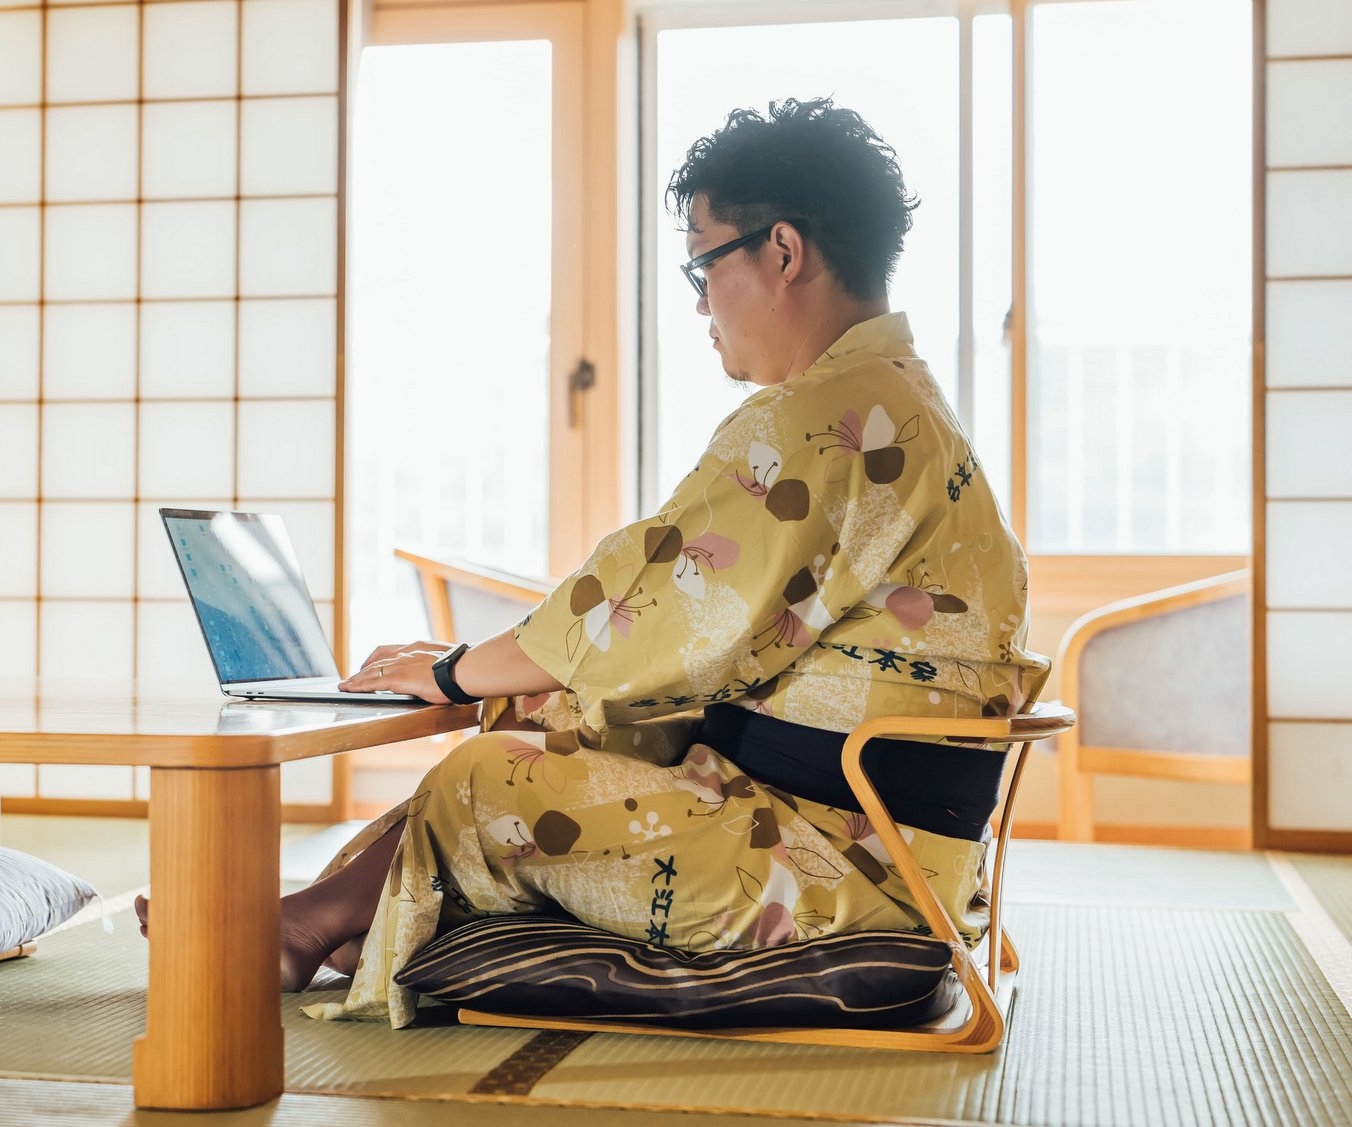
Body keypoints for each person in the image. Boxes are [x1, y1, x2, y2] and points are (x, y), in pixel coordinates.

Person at [143, 97, 1049, 1029]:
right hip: (882, 843)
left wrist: (455, 671)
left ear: (782, 251)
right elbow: (687, 612)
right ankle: (321, 918)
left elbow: (654, 605)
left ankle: (310, 923)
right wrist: (519, 677)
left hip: (837, 866)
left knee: (484, 775)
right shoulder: (897, 401)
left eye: (703, 264)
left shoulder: (826, 417)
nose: (698, 303)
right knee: (563, 715)